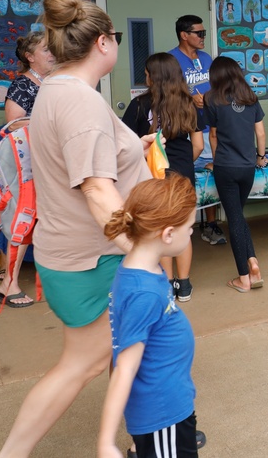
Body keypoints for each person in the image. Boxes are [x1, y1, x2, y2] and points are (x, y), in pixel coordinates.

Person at [0, 0, 154, 457]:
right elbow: (96, 190)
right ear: (103, 42)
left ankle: (135, 439)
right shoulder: (80, 102)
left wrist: (130, 149)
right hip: (95, 258)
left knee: (122, 353)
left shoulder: (56, 89)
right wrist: (139, 249)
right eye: (117, 38)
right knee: (80, 364)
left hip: (79, 252)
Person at [98, 175, 202, 458]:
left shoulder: (142, 267)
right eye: (190, 228)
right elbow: (124, 368)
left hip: (171, 402)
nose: (191, 233)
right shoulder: (142, 292)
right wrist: (106, 442)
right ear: (167, 234)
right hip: (162, 414)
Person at [121, 53, 203, 302]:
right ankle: (185, 285)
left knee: (161, 229)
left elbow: (129, 144)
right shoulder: (188, 102)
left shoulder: (139, 105)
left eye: (146, 73)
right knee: (183, 228)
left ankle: (167, 284)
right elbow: (197, 144)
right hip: (183, 173)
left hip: (154, 174)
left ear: (153, 76)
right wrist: (184, 165)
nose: (144, 77)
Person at [0, 30, 55, 308]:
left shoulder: (54, 81)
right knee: (24, 220)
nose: (52, 53)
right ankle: (9, 283)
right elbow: (12, 127)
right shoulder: (22, 85)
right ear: (30, 57)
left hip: (49, 161)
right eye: (45, 49)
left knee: (46, 221)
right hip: (25, 164)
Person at [203, 57, 268, 292]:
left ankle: (244, 277)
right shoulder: (250, 97)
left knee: (234, 219)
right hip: (247, 167)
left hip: (225, 167)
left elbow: (213, 135)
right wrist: (260, 157)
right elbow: (260, 133)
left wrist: (215, 159)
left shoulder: (211, 98)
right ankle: (253, 263)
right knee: (238, 215)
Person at [169, 14, 224, 245]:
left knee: (211, 177)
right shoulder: (171, 60)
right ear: (184, 35)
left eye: (204, 33)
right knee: (183, 179)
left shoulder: (206, 57)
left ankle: (210, 225)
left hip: (209, 127)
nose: (203, 37)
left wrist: (209, 98)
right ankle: (181, 228)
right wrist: (191, 99)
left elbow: (216, 86)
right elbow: (166, 92)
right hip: (184, 129)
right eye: (199, 33)